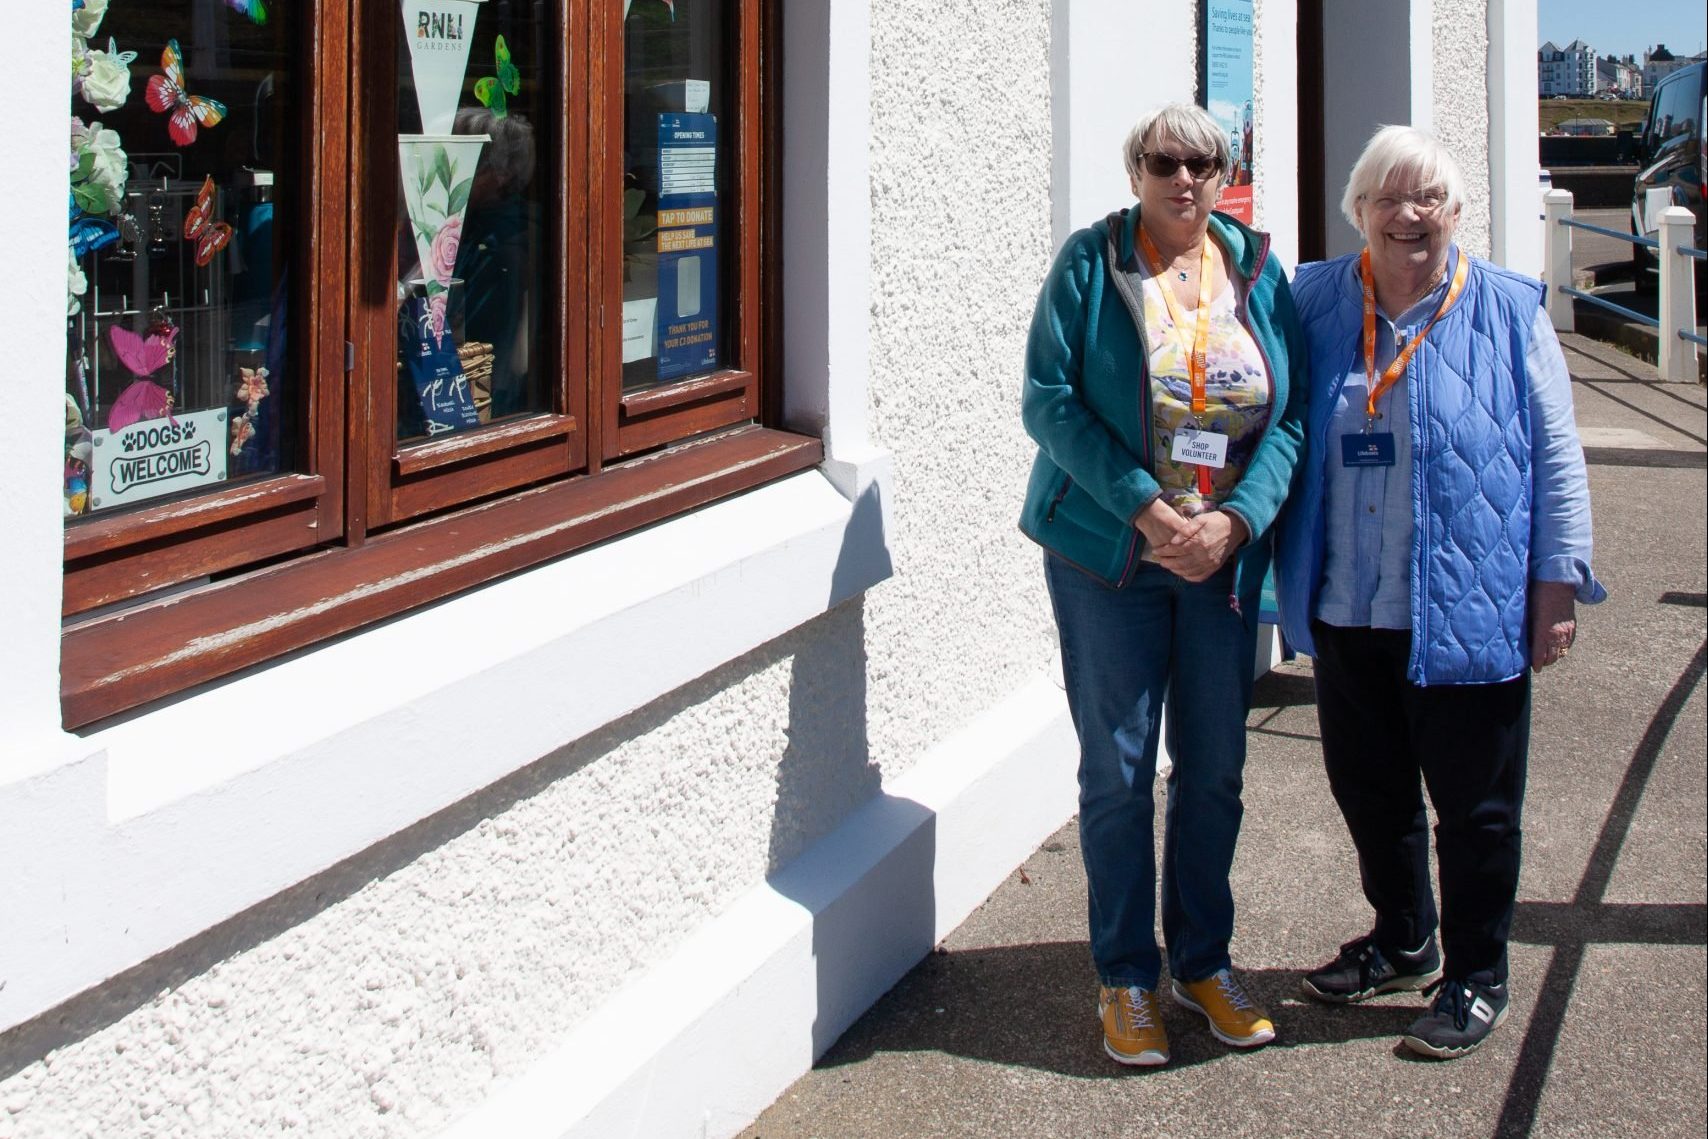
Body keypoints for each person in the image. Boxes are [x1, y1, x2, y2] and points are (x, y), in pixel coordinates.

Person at [1275, 125, 1605, 1059]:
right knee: (1368, 790)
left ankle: (1477, 972)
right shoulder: (1316, 300)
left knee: (1477, 806)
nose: (1409, 215)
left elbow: (1557, 455)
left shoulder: (1505, 307)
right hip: (1349, 601)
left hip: (1470, 602)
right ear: (1360, 210)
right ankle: (1404, 936)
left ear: (1456, 213)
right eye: (1389, 196)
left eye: (1429, 199)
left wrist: (1558, 582)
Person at [1019, 102, 1308, 1067]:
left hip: (1220, 558)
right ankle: (1125, 977)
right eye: (1165, 161)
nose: (1185, 179)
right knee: (1118, 771)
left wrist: (1233, 520)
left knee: (1216, 768)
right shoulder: (1091, 263)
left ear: (1225, 173)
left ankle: (1202, 961)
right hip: (1114, 557)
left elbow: (1294, 423)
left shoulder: (1260, 273)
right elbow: (1048, 401)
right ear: (1136, 168)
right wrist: (1149, 509)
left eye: (1204, 163)